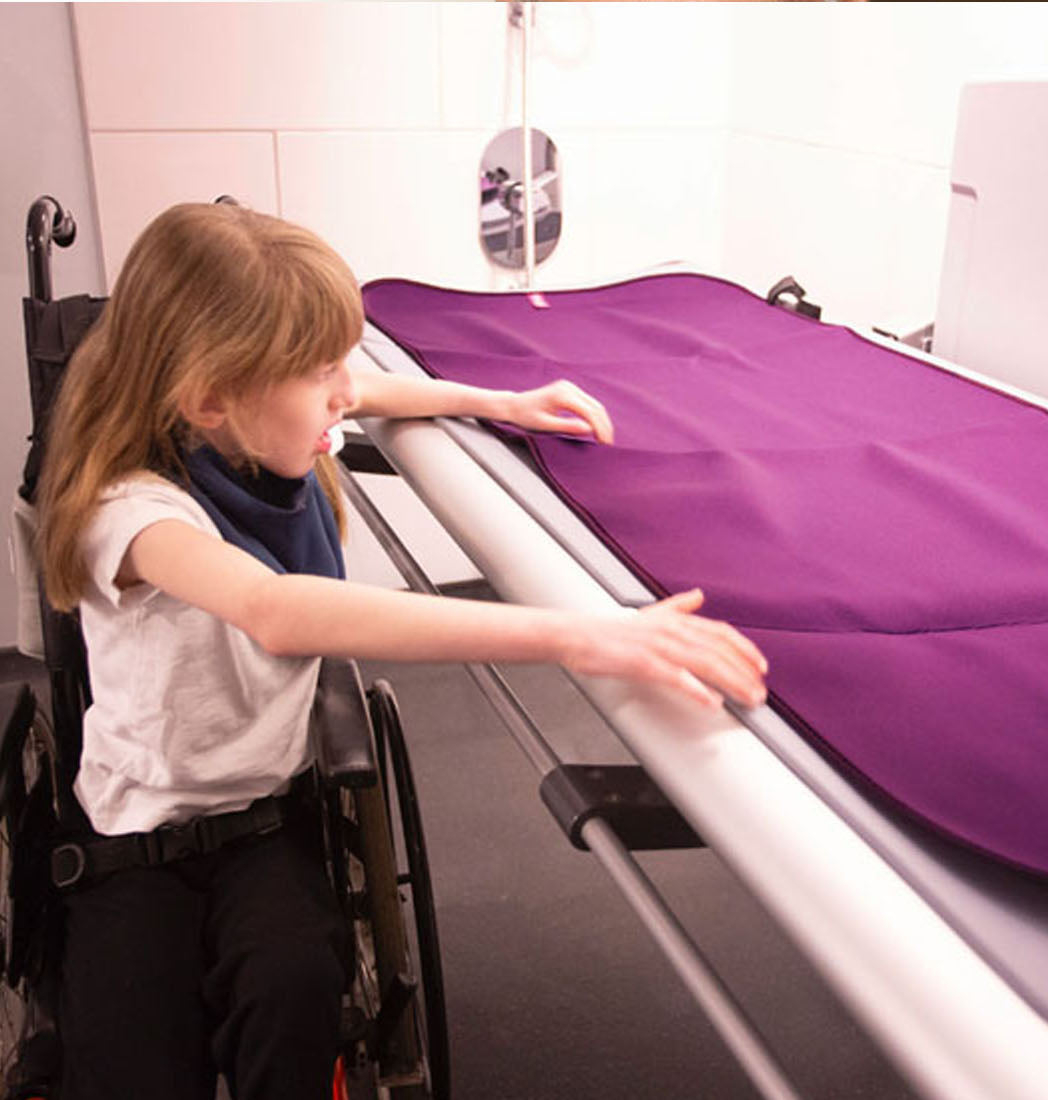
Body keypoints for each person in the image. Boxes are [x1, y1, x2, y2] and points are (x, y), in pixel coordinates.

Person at [35, 201, 767, 1099]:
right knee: (127, 1061)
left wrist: (494, 401)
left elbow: (367, 391)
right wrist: (581, 633)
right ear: (210, 395)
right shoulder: (134, 511)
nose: (341, 393)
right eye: (317, 372)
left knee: (298, 996)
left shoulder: (258, 424)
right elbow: (273, 609)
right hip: (137, 840)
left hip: (265, 822)